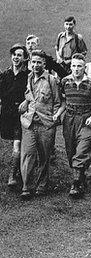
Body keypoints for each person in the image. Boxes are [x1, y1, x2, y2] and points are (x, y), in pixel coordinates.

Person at [18, 50, 65, 199]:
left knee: (44, 156)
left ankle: (41, 185)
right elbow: (28, 95)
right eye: (34, 62)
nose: (36, 65)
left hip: (46, 124)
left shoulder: (52, 80)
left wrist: (55, 116)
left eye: (39, 62)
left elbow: (58, 102)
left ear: (44, 64)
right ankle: (26, 186)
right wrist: (26, 101)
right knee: (28, 154)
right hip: (29, 123)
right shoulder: (28, 78)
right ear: (30, 63)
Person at [60, 53, 91, 198]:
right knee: (71, 151)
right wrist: (58, 114)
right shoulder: (64, 82)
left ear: (84, 67)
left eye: (79, 66)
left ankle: (75, 183)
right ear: (70, 67)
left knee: (82, 150)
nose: (76, 69)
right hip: (69, 119)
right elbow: (62, 100)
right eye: (74, 66)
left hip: (86, 119)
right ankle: (81, 178)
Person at [0, 44, 29, 188]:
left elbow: (32, 92)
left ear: (24, 58)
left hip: (20, 115)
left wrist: (26, 101)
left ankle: (13, 174)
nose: (16, 57)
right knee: (11, 142)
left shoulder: (28, 75)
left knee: (17, 145)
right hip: (6, 115)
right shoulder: (5, 75)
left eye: (19, 55)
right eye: (14, 55)